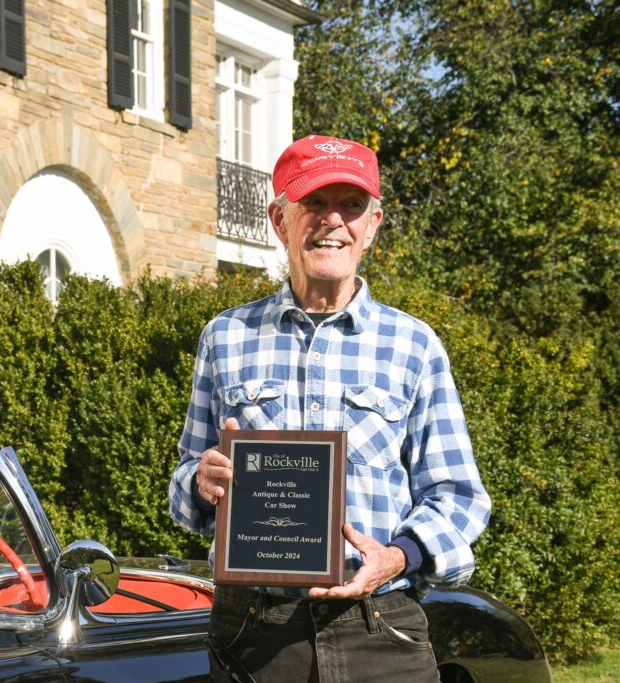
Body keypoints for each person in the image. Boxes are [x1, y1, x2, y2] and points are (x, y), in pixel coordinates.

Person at [169, 135, 491, 682]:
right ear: (280, 219)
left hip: (380, 629)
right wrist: (202, 482)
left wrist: (398, 556)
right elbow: (182, 486)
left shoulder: (414, 345)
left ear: (373, 223)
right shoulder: (225, 337)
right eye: (314, 203)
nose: (332, 221)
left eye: (351, 205)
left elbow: (459, 497)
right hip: (255, 631)